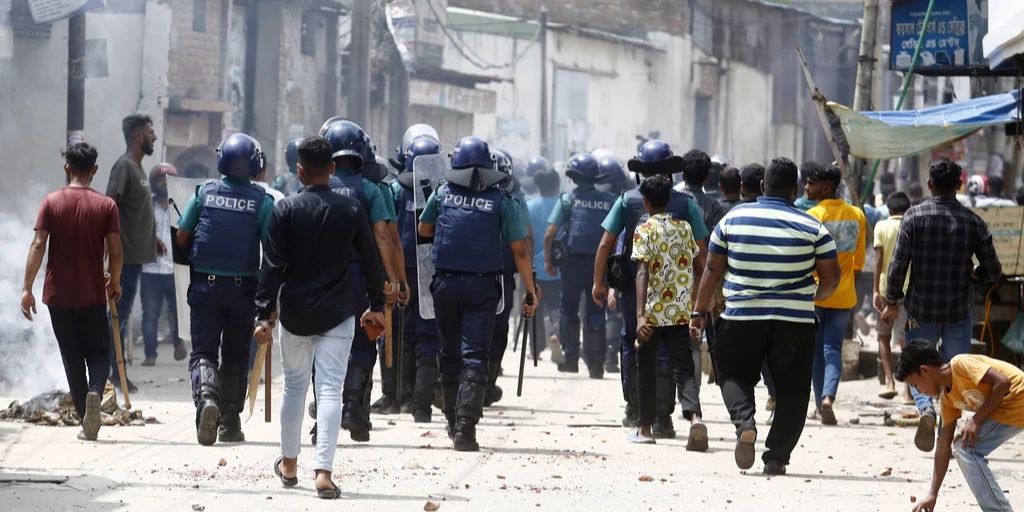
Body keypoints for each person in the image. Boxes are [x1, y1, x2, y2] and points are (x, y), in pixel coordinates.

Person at [690, 157, 840, 475]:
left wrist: (698, 311)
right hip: (795, 322)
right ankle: (776, 456)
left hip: (742, 315)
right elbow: (831, 279)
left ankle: (745, 423)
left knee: (732, 375)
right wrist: (810, 300)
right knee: (794, 390)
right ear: (795, 189)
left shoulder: (733, 220)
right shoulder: (814, 227)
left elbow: (712, 270)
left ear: (761, 186)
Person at [255, 136, 386, 500]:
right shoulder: (350, 210)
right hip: (338, 313)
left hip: (296, 315)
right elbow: (371, 260)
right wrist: (377, 305)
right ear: (331, 169)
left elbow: (272, 266)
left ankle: (290, 465)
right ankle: (324, 473)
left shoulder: (286, 210)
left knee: (294, 388)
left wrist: (263, 313)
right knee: (330, 390)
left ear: (299, 170)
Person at [417, 136, 539, 451]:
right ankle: (465, 427)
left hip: (445, 285)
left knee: (450, 350)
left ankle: (449, 416)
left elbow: (423, 229)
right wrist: (530, 288)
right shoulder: (503, 201)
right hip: (483, 287)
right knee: (475, 354)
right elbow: (520, 250)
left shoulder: (443, 193)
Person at [881, 157, 1002, 453]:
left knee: (917, 364)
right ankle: (948, 428)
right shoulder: (973, 222)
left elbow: (898, 266)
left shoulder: (913, 217)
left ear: (930, 185)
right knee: (956, 371)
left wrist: (892, 299)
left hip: (921, 308)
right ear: (959, 185)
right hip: (958, 309)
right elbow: (993, 270)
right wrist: (976, 276)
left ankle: (925, 409)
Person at [592, 140, 709, 435]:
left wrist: (599, 282)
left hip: (637, 292)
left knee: (634, 344)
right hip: (677, 295)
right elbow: (703, 254)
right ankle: (663, 417)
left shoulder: (627, 200)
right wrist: (703, 297)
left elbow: (606, 243)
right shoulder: (686, 204)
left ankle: (635, 409)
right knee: (671, 352)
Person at [174, 133, 274, 446]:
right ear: (255, 165)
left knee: (204, 352)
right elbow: (271, 250)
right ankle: (230, 423)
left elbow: (182, 237)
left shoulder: (203, 194)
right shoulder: (262, 201)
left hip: (205, 287)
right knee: (235, 355)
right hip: (243, 291)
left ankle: (207, 400)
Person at [21, 143, 123, 441]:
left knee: (71, 356)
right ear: (95, 170)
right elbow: (116, 251)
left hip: (58, 295)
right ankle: (95, 392)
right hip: (92, 293)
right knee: (99, 352)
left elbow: (38, 245)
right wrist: (115, 281)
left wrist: (27, 288)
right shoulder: (106, 206)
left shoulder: (51, 202)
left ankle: (84, 417)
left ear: (67, 168)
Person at [321, 119, 407, 441]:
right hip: (359, 279)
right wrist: (397, 281)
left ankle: (324, 419)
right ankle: (354, 408)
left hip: (321, 282)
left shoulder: (315, 188)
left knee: (325, 348)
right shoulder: (371, 190)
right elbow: (386, 237)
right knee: (362, 341)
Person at [896, 341, 1024, 512]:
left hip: (1018, 399)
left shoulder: (960, 364)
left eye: (915, 385)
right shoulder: (948, 400)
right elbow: (943, 446)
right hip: (1010, 412)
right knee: (962, 446)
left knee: (965, 448)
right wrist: (932, 494)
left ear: (924, 370)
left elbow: (1003, 383)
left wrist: (976, 419)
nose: (919, 392)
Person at [629, 175, 707, 449]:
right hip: (679, 312)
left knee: (646, 368)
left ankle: (646, 428)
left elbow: (641, 273)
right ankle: (696, 418)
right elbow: (699, 266)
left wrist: (639, 315)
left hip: (652, 313)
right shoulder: (684, 228)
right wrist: (697, 305)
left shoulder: (644, 230)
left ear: (646, 202)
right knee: (683, 368)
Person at [804, 163, 866, 425]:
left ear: (826, 187)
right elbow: (860, 262)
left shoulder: (814, 215)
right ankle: (828, 397)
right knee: (833, 348)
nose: (806, 187)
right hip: (844, 295)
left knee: (817, 350)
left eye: (811, 182)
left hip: (816, 293)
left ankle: (820, 403)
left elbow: (807, 259)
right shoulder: (857, 215)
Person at [544, 152, 614, 379]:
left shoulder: (567, 200)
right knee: (596, 310)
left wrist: (548, 260)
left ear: (574, 177)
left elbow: (550, 234)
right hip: (599, 265)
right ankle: (596, 365)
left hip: (571, 264)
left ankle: (571, 359)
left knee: (569, 310)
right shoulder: (609, 201)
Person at [105, 113, 160, 392]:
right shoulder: (124, 167)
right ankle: (111, 374)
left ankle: (115, 373)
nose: (154, 137)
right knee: (118, 316)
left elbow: (135, 214)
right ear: (138, 136)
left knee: (121, 316)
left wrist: (155, 238)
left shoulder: (138, 169)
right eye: (150, 132)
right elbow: (110, 207)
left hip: (136, 257)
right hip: (123, 259)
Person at [393, 135, 445, 422]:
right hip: (431, 270)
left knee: (404, 332)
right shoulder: (442, 190)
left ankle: (400, 397)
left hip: (402, 270)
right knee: (428, 336)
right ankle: (421, 406)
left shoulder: (396, 190)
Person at [485, 148, 531, 404]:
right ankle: (487, 382)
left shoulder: (457, 194)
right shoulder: (513, 199)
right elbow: (525, 241)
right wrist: (530, 281)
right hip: (502, 275)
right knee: (498, 328)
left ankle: (470, 383)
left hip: (470, 273)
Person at [140, 163, 186, 366]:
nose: (164, 184)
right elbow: (137, 231)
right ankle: (151, 354)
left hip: (173, 269)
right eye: (161, 179)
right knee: (150, 315)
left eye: (168, 180)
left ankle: (178, 343)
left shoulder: (180, 207)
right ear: (153, 183)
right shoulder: (146, 206)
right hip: (150, 269)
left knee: (177, 312)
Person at [872, 192, 910, 401]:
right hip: (909, 290)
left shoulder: (881, 226)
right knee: (906, 341)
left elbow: (878, 261)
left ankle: (889, 381)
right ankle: (908, 390)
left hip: (886, 289)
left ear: (889, 210)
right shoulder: (912, 225)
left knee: (884, 336)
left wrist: (876, 290)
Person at [528, 168, 564, 364]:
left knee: (535, 308)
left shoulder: (529, 207)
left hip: (534, 268)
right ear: (557, 184)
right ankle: (556, 334)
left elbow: (525, 239)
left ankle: (535, 350)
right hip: (558, 268)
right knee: (556, 307)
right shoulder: (563, 205)